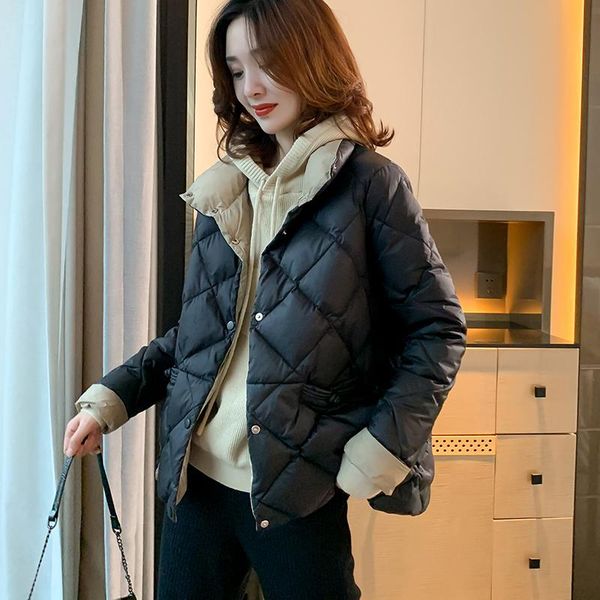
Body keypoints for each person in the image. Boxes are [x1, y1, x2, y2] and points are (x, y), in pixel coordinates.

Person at [63, 0, 468, 598]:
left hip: (298, 487)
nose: (251, 87)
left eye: (267, 63)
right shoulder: (228, 186)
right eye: (235, 70)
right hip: (197, 483)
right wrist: (109, 401)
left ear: (312, 57)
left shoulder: (372, 186)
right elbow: (200, 339)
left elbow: (437, 332)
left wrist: (380, 446)